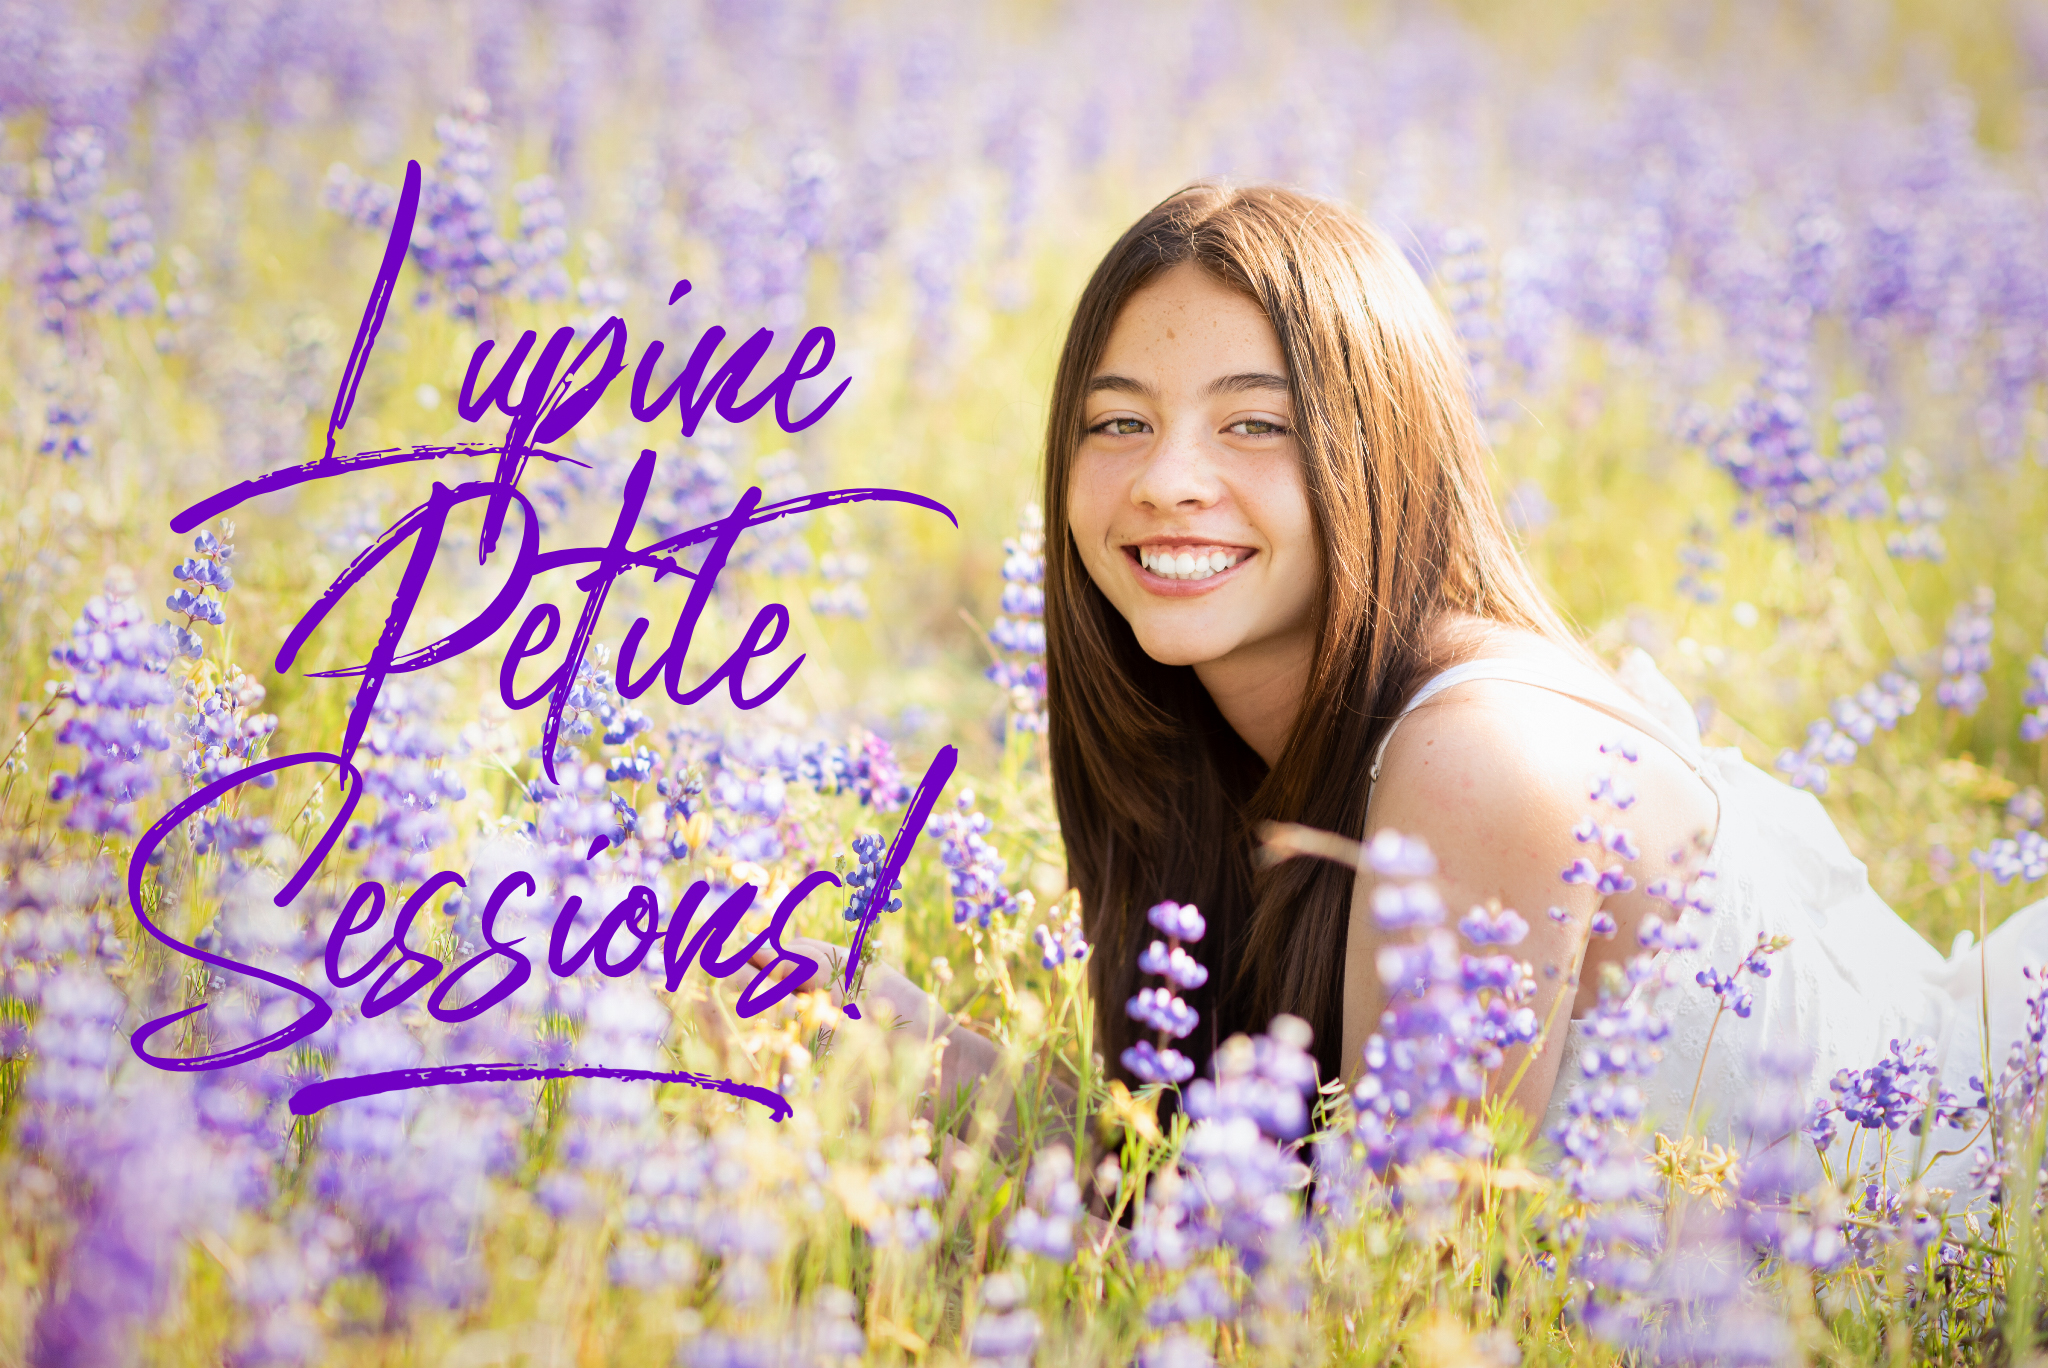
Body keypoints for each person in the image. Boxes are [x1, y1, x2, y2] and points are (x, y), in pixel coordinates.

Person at [773, 182, 2048, 1204]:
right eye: (1116, 424)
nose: (1165, 480)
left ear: (1375, 451)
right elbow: (1208, 1203)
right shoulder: (1227, 752)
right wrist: (886, 1039)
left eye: (1252, 425)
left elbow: (1369, 1297)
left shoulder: (1473, 756)